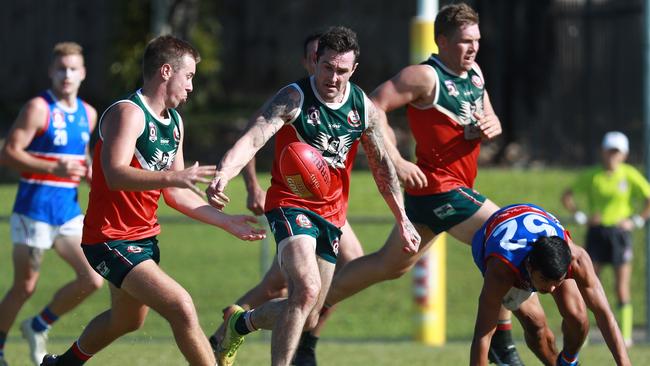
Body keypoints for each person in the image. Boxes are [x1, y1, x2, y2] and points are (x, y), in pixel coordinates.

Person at [40, 35, 266, 366]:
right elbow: (115, 174)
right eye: (188, 76)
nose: (191, 86)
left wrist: (226, 221)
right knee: (181, 306)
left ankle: (63, 364)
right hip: (109, 238)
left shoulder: (174, 123)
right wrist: (173, 177)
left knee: (127, 320)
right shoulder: (128, 113)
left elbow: (175, 193)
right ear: (165, 71)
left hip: (143, 238)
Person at [206, 26, 421, 366]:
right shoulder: (294, 98)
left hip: (332, 215)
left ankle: (240, 323)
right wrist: (225, 172)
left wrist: (402, 218)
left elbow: (382, 167)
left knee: (307, 315)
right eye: (327, 67)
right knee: (304, 291)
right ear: (315, 61)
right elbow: (254, 136)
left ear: (353, 70)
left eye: (341, 71)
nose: (332, 77)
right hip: (290, 205)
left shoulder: (361, 107)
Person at [322, 3, 523, 365]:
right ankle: (503, 346)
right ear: (442, 41)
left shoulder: (474, 73)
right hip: (438, 189)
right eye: (464, 41)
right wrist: (396, 160)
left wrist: (491, 124)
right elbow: (372, 106)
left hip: (448, 191)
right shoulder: (424, 77)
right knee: (506, 237)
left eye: (476, 40)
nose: (473, 48)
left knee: (388, 265)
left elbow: (487, 113)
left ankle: (295, 303)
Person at [0, 42, 103, 366]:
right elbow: (8, 153)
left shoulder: (88, 113)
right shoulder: (38, 108)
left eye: (73, 69)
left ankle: (38, 324)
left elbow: (80, 155)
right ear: (51, 72)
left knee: (93, 278)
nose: (67, 75)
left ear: (83, 73)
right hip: (34, 208)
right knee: (25, 286)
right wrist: (52, 168)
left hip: (68, 210)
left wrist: (87, 169)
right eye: (61, 68)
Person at [470, 203, 631, 366]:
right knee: (536, 326)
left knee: (578, 318)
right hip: (500, 248)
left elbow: (605, 315)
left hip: (530, 236)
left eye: (558, 281)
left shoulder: (578, 259)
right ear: (530, 267)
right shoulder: (501, 271)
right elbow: (483, 336)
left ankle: (567, 362)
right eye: (545, 280)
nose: (552, 288)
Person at [562, 131, 650, 346]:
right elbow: (567, 195)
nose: (612, 156)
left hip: (620, 236)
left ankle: (625, 336)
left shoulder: (629, 175)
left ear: (624, 154)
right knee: (588, 284)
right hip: (597, 233)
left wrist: (636, 220)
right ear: (603, 152)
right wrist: (581, 215)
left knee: (622, 288)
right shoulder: (593, 175)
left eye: (616, 152)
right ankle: (581, 333)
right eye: (609, 151)